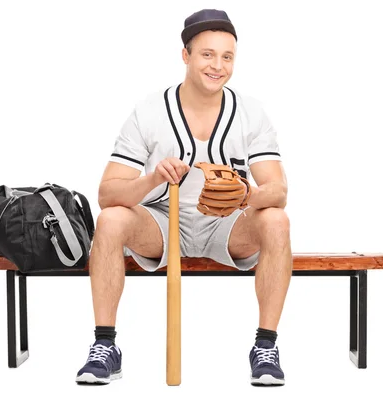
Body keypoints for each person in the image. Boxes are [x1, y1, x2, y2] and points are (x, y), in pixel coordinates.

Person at [76, 9, 292, 386]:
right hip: (161, 222)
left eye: (227, 57)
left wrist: (248, 195)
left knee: (276, 219)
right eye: (207, 54)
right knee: (111, 220)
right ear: (186, 55)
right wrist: (152, 178)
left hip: (228, 225)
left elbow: (279, 191)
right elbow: (106, 193)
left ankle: (266, 346)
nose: (218, 65)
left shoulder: (251, 113)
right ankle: (105, 346)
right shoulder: (149, 112)